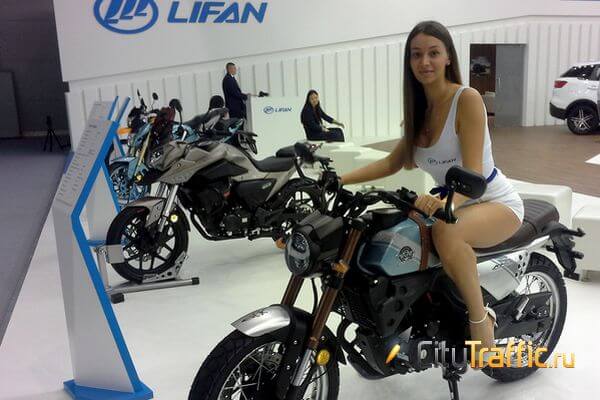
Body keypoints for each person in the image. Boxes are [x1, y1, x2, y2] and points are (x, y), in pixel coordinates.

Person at [340, 21, 524, 358]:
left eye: (433, 53)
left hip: (492, 199)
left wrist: (444, 202)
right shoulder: (419, 112)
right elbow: (391, 162)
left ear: (448, 57)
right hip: (452, 201)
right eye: (416, 55)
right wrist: (340, 180)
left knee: (445, 232)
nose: (424, 61)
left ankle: (480, 320)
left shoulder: (466, 99)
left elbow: (474, 174)